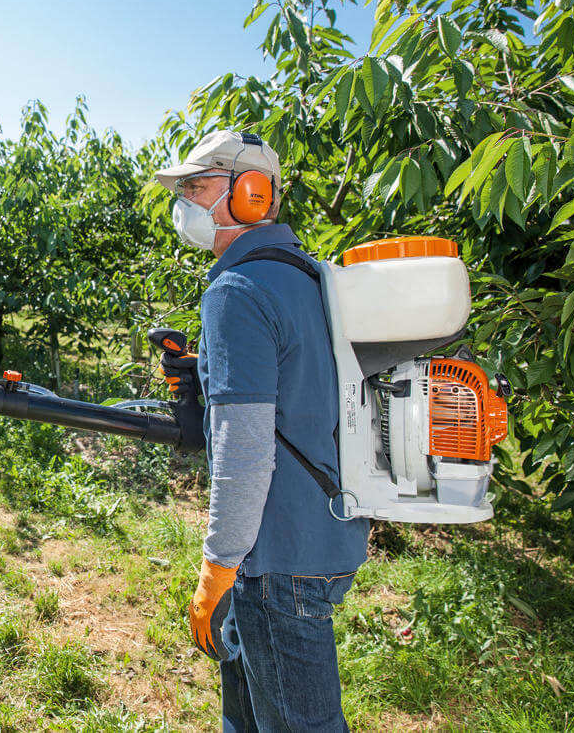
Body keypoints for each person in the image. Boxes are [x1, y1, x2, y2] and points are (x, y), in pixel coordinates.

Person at [153, 129, 371, 732]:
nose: (186, 204)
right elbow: (299, 386)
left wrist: (218, 569)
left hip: (274, 559)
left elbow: (247, 452)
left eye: (197, 187)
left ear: (250, 193)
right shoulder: (305, 277)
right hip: (319, 532)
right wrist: (207, 370)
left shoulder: (235, 290)